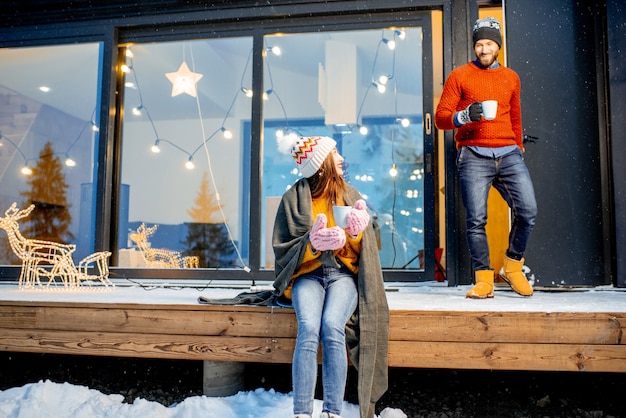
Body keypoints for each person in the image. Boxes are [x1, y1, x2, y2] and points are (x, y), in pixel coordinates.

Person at [272, 134, 389, 418]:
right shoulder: (292, 200)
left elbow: (374, 245)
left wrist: (358, 232)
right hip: (308, 277)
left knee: (332, 326)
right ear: (320, 164)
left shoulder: (350, 194)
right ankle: (302, 412)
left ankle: (332, 412)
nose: (340, 158)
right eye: (334, 153)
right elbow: (283, 251)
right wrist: (312, 244)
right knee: (309, 328)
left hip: (342, 275)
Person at [435, 16, 538, 299]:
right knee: (476, 220)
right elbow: (442, 119)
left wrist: (517, 145)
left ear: (498, 46)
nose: (483, 49)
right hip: (473, 154)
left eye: (489, 43)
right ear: (474, 46)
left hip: (508, 154)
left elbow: (515, 116)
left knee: (527, 211)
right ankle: (484, 279)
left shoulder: (511, 77)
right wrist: (465, 116)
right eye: (479, 44)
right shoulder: (459, 76)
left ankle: (512, 267)